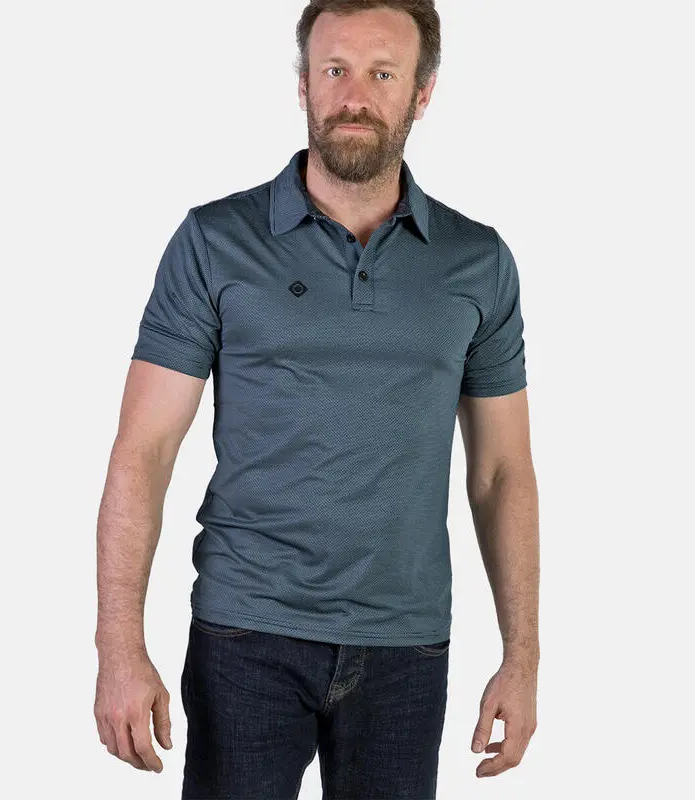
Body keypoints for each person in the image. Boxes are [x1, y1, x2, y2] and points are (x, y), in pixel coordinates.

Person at [93, 1, 539, 796]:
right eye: (335, 69)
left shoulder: (478, 262)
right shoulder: (214, 241)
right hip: (246, 635)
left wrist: (523, 657)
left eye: (382, 73)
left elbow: (503, 472)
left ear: (423, 93)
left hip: (407, 647)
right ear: (303, 83)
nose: (354, 96)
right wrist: (119, 649)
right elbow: (144, 450)